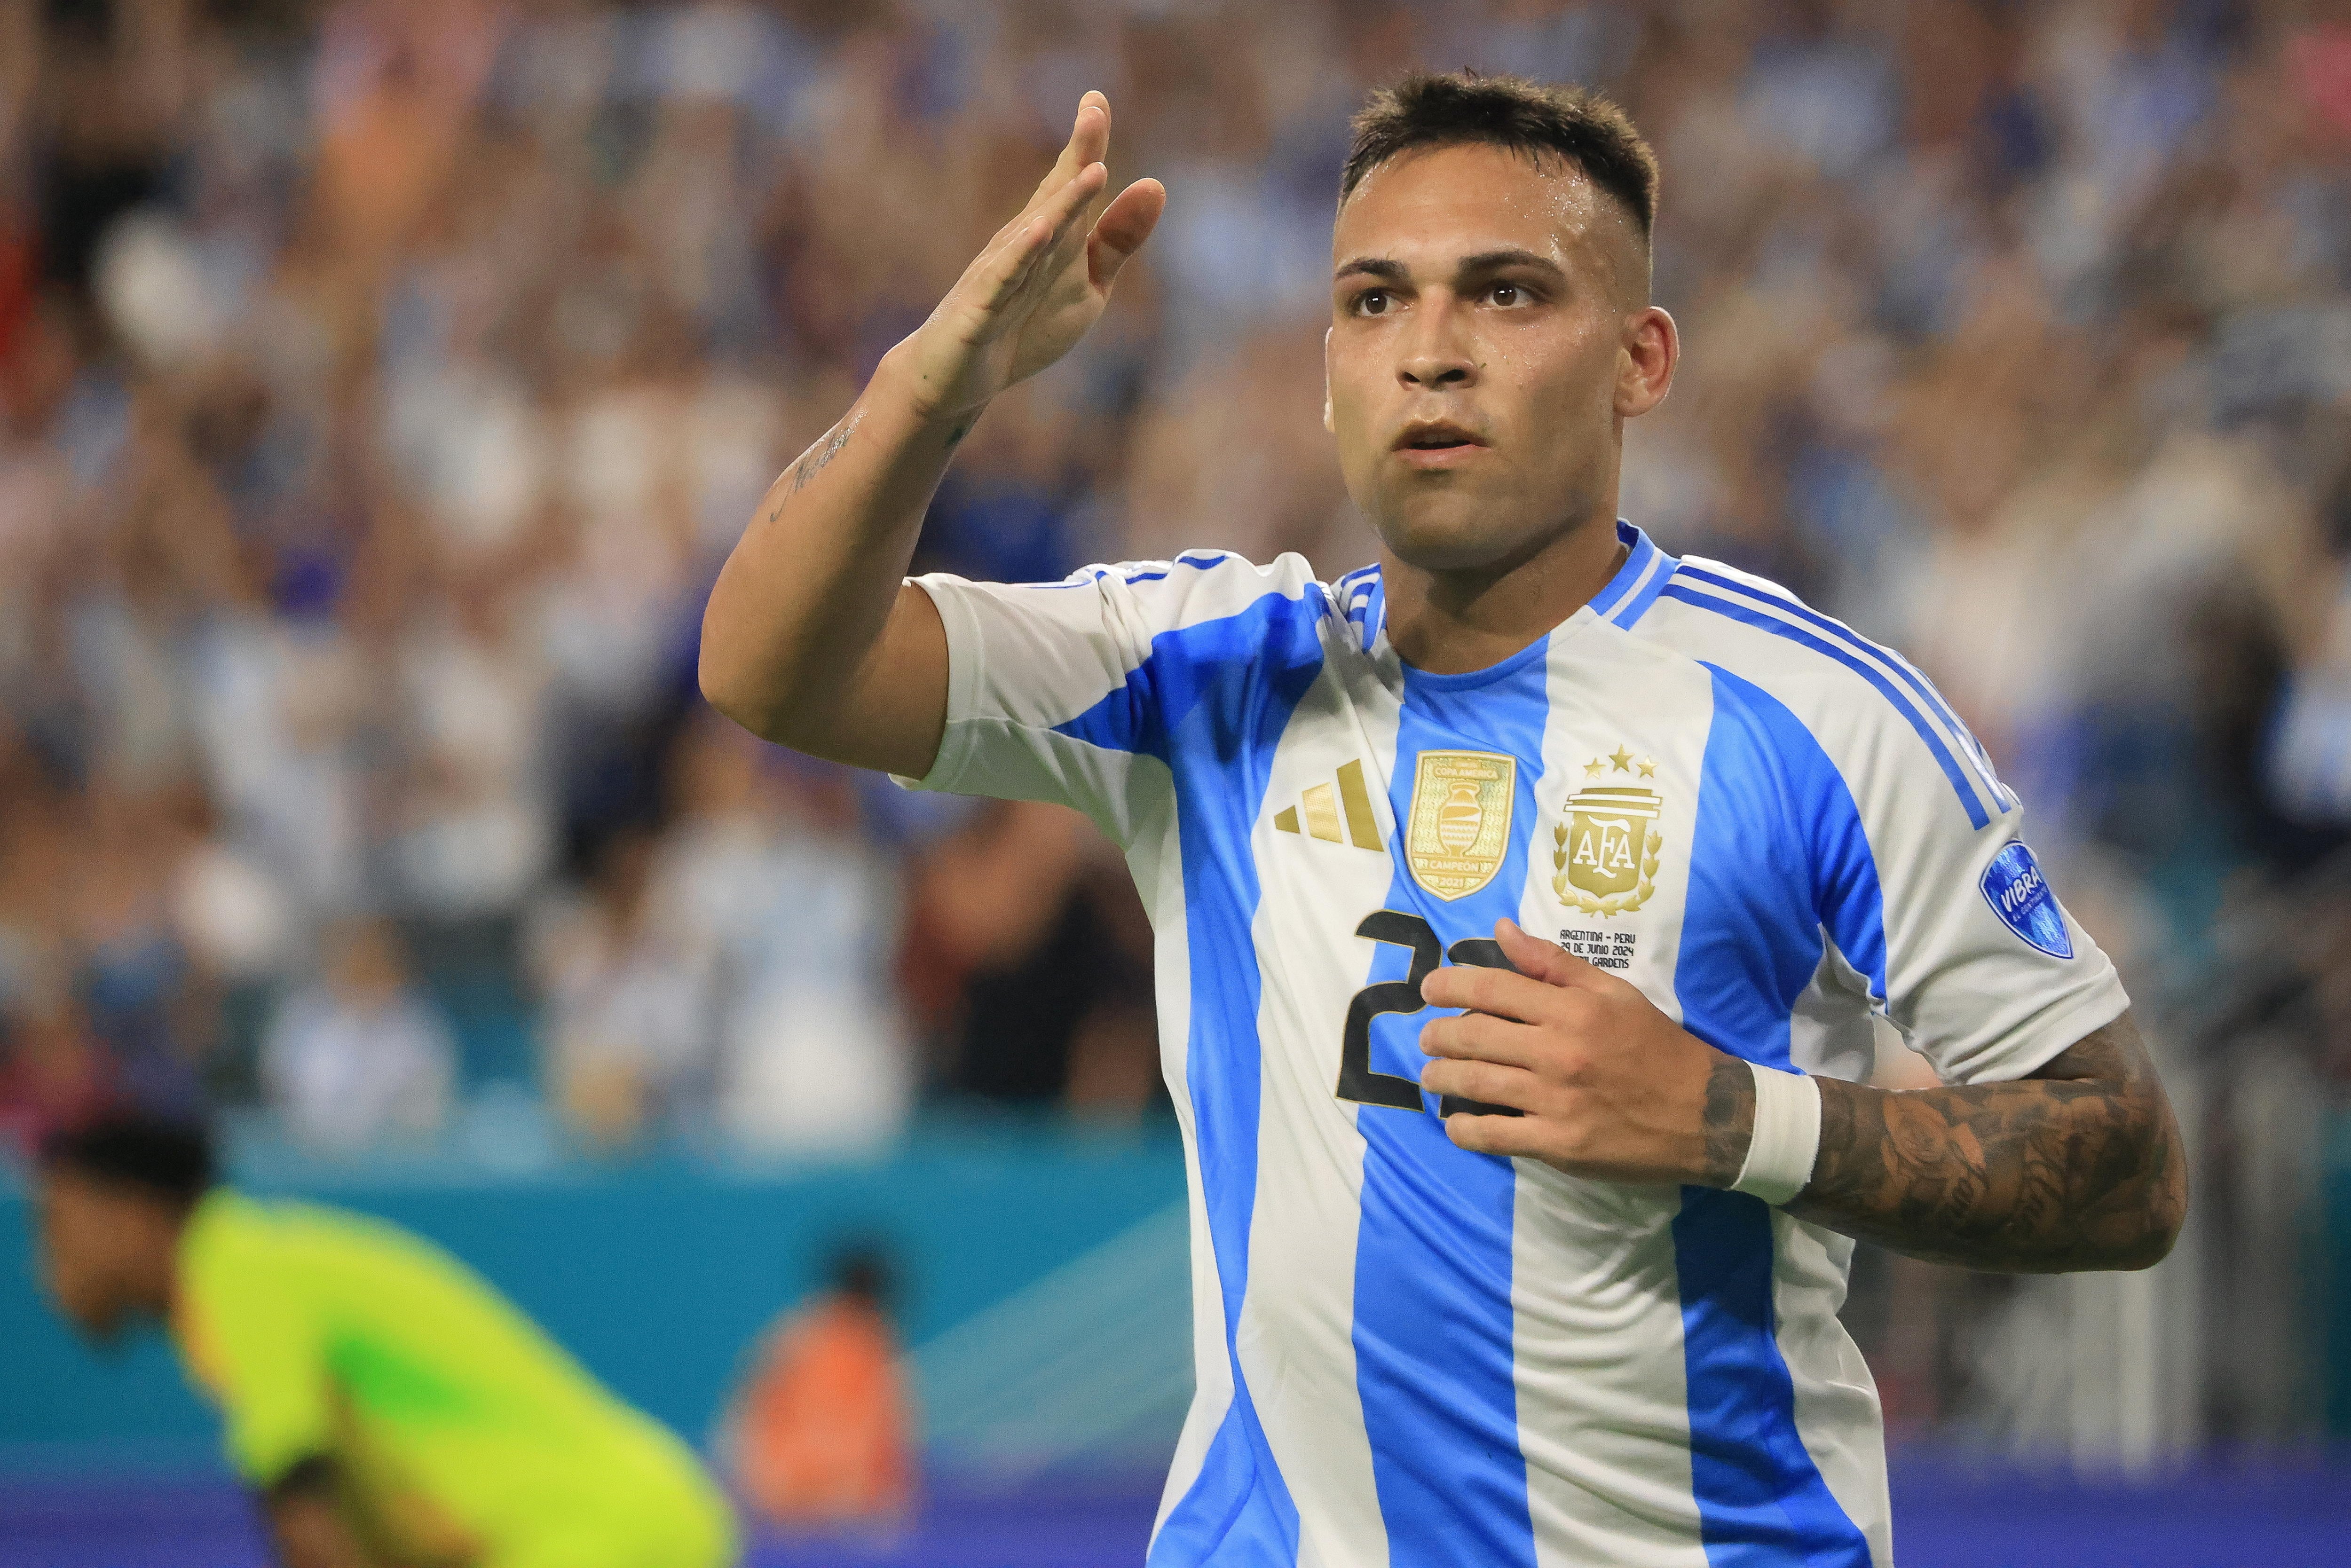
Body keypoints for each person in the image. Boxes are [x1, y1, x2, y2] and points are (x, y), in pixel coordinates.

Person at [699, 75, 2187, 1567]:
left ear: (1638, 360)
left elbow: (2123, 1162)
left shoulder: (1816, 716)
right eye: (1372, 301)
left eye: (1506, 293)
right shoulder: (1208, 667)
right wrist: (932, 386)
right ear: (1326, 366)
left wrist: (1733, 1117)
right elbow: (767, 667)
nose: (1429, 353)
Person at [33, 1112, 738, 1568]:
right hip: (640, 1520)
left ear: (132, 1216)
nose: (47, 1267)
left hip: (598, 1536)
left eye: (60, 1228)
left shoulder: (240, 1270)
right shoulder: (257, 1271)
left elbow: (305, 1525)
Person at [720, 1245, 914, 1529]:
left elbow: (886, 1436)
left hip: (830, 1503)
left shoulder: (803, 1334)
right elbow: (748, 1418)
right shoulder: (807, 1339)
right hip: (794, 1502)